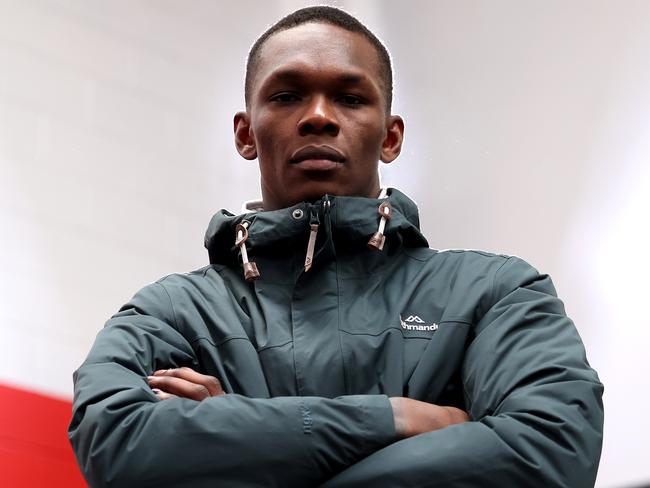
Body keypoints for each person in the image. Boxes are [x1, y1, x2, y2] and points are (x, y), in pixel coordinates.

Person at [68, 6, 603, 487]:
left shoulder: (497, 293)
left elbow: (548, 447)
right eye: (286, 95)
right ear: (245, 133)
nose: (319, 115)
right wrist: (395, 419)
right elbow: (116, 437)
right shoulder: (171, 315)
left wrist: (240, 437)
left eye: (350, 97)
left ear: (390, 137)